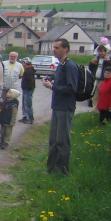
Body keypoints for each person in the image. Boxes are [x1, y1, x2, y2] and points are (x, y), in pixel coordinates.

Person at [43, 38, 79, 175]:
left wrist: (52, 86)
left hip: (65, 107)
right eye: (54, 47)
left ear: (65, 49)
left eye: (57, 47)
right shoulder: (61, 65)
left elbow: (71, 88)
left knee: (62, 141)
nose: (54, 50)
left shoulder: (70, 66)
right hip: (57, 106)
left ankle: (63, 171)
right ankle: (51, 169)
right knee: (53, 140)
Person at [19, 57, 36, 124]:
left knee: (28, 104)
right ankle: (25, 116)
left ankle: (30, 118)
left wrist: (29, 88)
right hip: (25, 89)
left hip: (28, 90)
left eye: (23, 62)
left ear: (26, 63)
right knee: (24, 103)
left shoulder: (29, 71)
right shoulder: (27, 70)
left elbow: (30, 81)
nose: (22, 64)